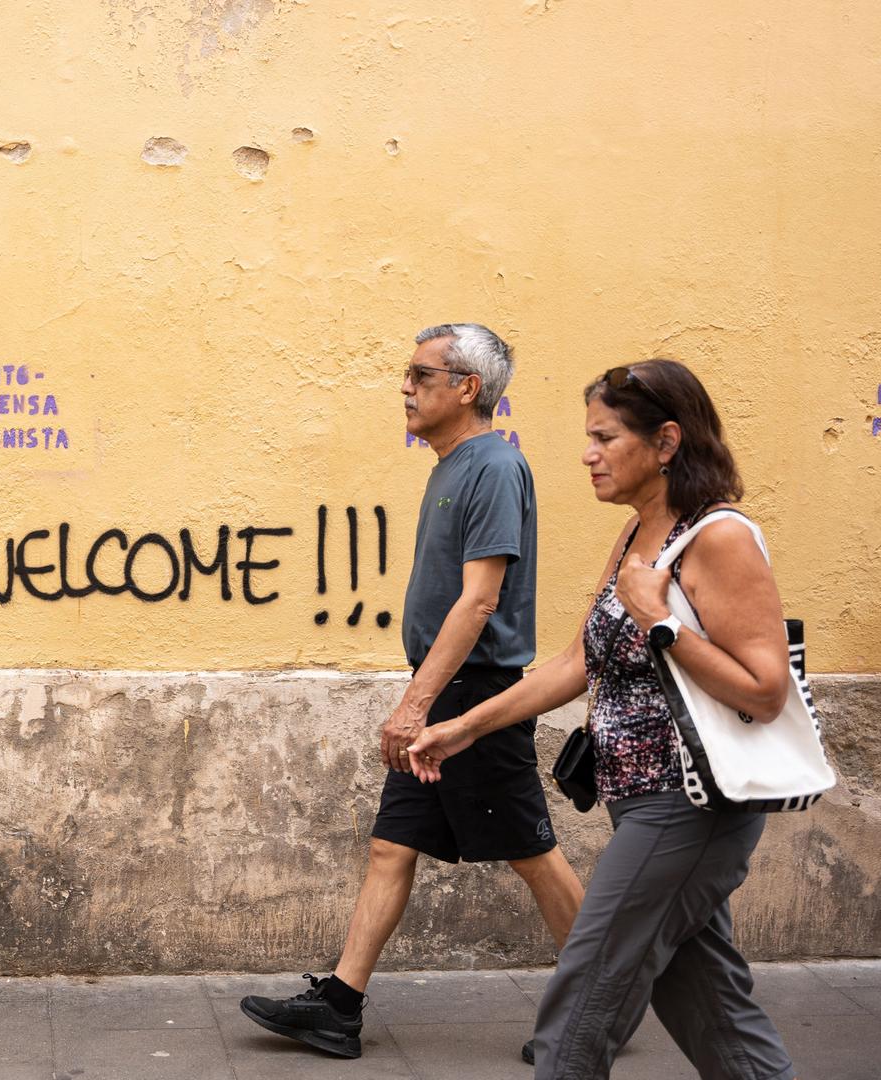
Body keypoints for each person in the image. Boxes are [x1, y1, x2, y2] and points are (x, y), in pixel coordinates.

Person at [408, 359, 797, 1078]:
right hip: (641, 801)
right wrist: (464, 727)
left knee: (583, 998)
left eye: (605, 436)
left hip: (690, 805)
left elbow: (766, 690)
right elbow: (574, 663)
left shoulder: (719, 538)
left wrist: (660, 622)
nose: (587, 453)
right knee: (711, 1010)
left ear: (667, 442)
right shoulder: (633, 538)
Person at [240, 324, 586, 1059]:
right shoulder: (453, 465)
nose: (405, 386)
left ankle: (597, 1008)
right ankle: (339, 1006)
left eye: (420, 374)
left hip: (472, 693)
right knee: (391, 848)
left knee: (532, 851)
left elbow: (480, 600)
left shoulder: (493, 466)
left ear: (467, 388)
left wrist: (417, 704)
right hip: (446, 685)